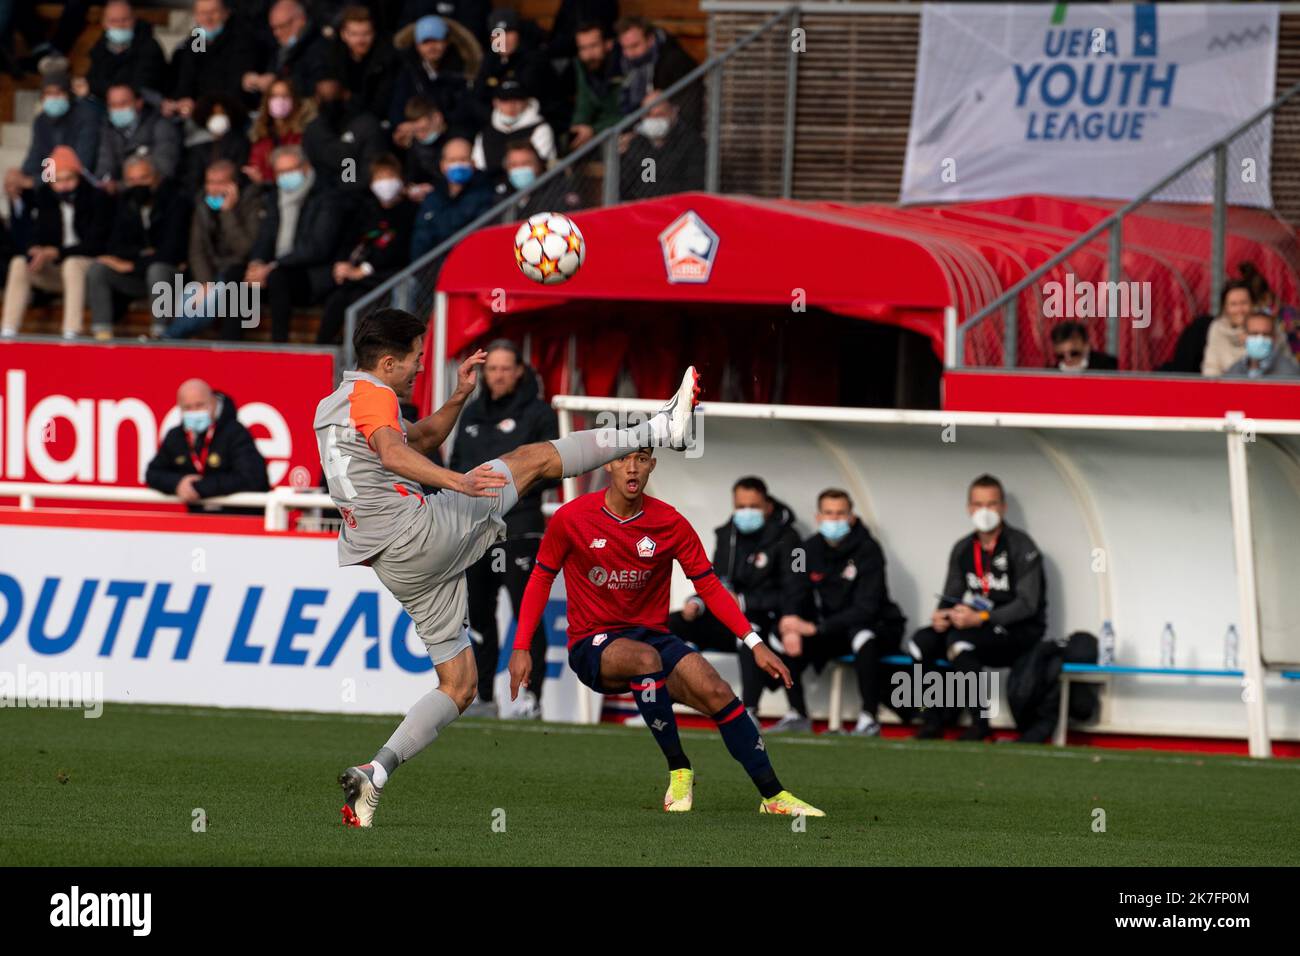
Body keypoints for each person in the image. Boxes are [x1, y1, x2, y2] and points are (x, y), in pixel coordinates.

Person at [322, 309, 700, 827]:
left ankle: (375, 773)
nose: (417, 369)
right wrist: (455, 483)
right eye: (414, 360)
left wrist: (459, 396)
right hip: (418, 532)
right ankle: (663, 427)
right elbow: (393, 454)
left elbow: (422, 439)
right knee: (531, 459)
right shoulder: (375, 395)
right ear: (387, 362)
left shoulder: (335, 406)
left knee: (459, 685)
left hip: (394, 563)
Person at [508, 447, 825, 817]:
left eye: (642, 458)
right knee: (646, 659)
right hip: (592, 643)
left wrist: (753, 642)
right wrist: (521, 645)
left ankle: (773, 797)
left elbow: (708, 585)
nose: (632, 467)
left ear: (651, 466)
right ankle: (679, 768)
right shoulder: (572, 518)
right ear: (608, 463)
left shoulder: (669, 522)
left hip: (652, 638)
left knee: (718, 691)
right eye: (624, 458)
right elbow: (541, 577)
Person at [448, 340, 558, 718]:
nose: (497, 375)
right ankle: (484, 696)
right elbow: (457, 464)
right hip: (476, 530)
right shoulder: (473, 413)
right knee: (477, 613)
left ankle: (531, 697)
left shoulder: (540, 414)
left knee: (525, 616)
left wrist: (510, 487)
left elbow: (550, 469)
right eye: (491, 368)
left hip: (520, 529)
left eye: (504, 368)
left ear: (519, 371)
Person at [909, 475, 1047, 741]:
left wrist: (983, 617)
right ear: (969, 508)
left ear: (1003, 507)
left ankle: (980, 724)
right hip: (975, 626)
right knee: (921, 641)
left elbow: (1028, 604)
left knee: (961, 643)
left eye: (992, 504)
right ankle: (930, 719)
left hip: (1017, 631)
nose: (985, 511)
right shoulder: (963, 548)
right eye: (978, 504)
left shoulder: (1022, 546)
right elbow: (950, 595)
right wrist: (943, 616)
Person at [773, 489, 908, 737]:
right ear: (818, 516)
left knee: (862, 635)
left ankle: (869, 718)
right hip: (831, 629)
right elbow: (794, 589)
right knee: (781, 636)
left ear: (851, 517)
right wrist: (791, 622)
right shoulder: (803, 550)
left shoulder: (869, 550)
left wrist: (817, 628)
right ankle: (797, 714)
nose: (834, 519)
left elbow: (867, 608)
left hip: (872, 626)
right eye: (828, 513)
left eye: (840, 514)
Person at [669, 476, 798, 727]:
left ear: (768, 507)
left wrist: (743, 601)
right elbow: (715, 580)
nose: (745, 512)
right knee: (673, 623)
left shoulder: (789, 540)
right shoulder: (727, 534)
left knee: (750, 637)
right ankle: (659, 699)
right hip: (726, 616)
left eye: (753, 506)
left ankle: (748, 711)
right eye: (740, 506)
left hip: (762, 620)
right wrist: (698, 601)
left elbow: (793, 591)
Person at [0, 147, 112, 339]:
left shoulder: (97, 198)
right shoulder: (45, 198)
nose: (64, 186)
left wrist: (57, 252)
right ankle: (8, 331)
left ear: (78, 176)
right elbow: (35, 233)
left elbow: (96, 244)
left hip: (87, 270)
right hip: (55, 272)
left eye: (69, 179)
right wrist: (34, 248)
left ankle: (71, 332)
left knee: (72, 264)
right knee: (19, 263)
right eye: (57, 181)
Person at [244, 146, 346, 341]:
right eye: (280, 172)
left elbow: (318, 247)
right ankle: (232, 351)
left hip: (312, 275)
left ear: (305, 166)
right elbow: (266, 234)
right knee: (236, 275)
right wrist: (256, 262)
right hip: (276, 269)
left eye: (290, 170)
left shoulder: (326, 196)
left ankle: (279, 347)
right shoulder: (275, 196)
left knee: (277, 277)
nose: (285, 176)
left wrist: (274, 265)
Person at [85, 155, 190, 340]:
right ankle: (102, 334)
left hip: (173, 278)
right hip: (136, 277)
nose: (138, 185)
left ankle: (160, 334)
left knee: (157, 270)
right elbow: (115, 247)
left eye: (144, 178)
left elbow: (172, 252)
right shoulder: (124, 203)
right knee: (99, 269)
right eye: (132, 180)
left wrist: (133, 264)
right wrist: (141, 255)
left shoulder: (176, 201)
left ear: (157, 178)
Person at [315, 155, 418, 345]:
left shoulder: (410, 211)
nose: (384, 182)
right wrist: (343, 264)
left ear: (400, 179)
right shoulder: (368, 210)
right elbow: (352, 240)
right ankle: (321, 352)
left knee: (359, 303)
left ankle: (356, 358)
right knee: (337, 299)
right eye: (379, 177)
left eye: (389, 176)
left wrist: (363, 270)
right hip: (359, 276)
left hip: (388, 276)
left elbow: (399, 248)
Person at [166, 159, 260, 339]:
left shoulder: (251, 202)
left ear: (234, 184)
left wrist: (228, 213)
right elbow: (197, 249)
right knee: (188, 301)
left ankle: (167, 339)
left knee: (208, 305)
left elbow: (245, 249)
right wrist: (205, 282)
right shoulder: (202, 205)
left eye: (220, 183)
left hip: (238, 274)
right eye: (210, 182)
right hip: (211, 274)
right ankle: (171, 342)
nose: (214, 188)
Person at [146, 378, 270, 506]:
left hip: (238, 516)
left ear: (214, 402)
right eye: (187, 407)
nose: (194, 411)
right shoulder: (176, 436)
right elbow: (152, 473)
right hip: (199, 519)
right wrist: (178, 483)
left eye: (199, 405)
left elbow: (251, 478)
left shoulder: (235, 433)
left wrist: (200, 487)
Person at [165, 0, 259, 119]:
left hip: (230, 114)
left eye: (213, 12)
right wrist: (183, 100)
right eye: (202, 13)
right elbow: (185, 80)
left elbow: (235, 88)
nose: (207, 18)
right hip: (195, 114)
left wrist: (202, 106)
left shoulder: (243, 41)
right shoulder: (194, 42)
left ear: (226, 13)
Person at [18, 56, 101, 186]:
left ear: (68, 94)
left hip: (80, 181)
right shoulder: (42, 121)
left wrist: (37, 181)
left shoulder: (86, 115)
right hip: (53, 181)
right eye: (48, 94)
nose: (53, 98)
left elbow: (82, 163)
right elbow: (37, 156)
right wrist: (21, 176)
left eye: (58, 93)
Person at [409, 136, 494, 259]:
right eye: (452, 160)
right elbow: (420, 240)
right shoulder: (432, 199)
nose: (458, 164)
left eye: (463, 159)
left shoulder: (485, 192)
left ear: (473, 163)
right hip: (436, 272)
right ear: (443, 165)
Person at [302, 77, 385, 201]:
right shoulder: (314, 129)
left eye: (333, 96)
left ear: (346, 94)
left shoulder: (365, 125)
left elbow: (371, 167)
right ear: (316, 99)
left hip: (361, 198)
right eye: (323, 98)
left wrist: (344, 184)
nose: (329, 102)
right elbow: (310, 166)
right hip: (322, 197)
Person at [615, 16, 699, 128]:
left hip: (670, 128)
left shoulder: (674, 61)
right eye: (625, 48)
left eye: (635, 46)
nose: (629, 54)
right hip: (639, 126)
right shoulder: (623, 64)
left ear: (650, 40)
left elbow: (687, 105)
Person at [618, 91, 703, 199]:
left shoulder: (692, 143)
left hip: (675, 207)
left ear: (673, 112)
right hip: (641, 207)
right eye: (648, 115)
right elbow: (625, 185)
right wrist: (620, 156)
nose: (653, 120)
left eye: (659, 115)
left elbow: (693, 185)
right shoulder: (636, 144)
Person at [389, 14, 469, 130]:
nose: (431, 47)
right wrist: (405, 126)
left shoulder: (461, 71)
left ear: (446, 42)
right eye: (425, 42)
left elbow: (465, 111)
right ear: (417, 45)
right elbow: (396, 109)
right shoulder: (408, 70)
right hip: (415, 133)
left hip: (451, 132)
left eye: (436, 40)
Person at [319, 5, 398, 122]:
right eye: (354, 34)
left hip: (374, 121)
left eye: (366, 34)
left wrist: (349, 97)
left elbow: (380, 105)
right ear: (343, 35)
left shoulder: (387, 59)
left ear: (374, 34)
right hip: (340, 118)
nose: (360, 40)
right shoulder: (334, 56)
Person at [94, 82, 181, 185]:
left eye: (123, 103)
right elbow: (104, 165)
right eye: (112, 105)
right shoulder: (108, 128)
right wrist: (104, 184)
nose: (117, 109)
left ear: (139, 103)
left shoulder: (160, 124)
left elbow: (164, 170)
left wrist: (119, 186)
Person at [470, 78, 556, 181]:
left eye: (516, 100)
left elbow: (537, 164)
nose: (511, 106)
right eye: (505, 101)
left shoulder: (541, 129)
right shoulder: (485, 133)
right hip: (492, 190)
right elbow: (479, 167)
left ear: (526, 101)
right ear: (496, 103)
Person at [85, 1, 168, 105]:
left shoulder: (149, 46)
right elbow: (92, 80)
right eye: (114, 21)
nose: (120, 25)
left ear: (134, 19)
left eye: (125, 20)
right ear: (104, 23)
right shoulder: (100, 47)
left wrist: (100, 89)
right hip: (106, 105)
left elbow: (142, 85)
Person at [241, 0, 326, 100]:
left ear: (300, 21)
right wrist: (255, 83)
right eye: (273, 28)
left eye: (281, 26)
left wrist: (277, 84)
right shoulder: (279, 49)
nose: (276, 33)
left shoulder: (319, 48)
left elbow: (316, 88)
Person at [245, 78, 314, 184]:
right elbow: (256, 166)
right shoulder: (261, 136)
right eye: (274, 96)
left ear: (294, 100)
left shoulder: (305, 133)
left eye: (285, 96)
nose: (279, 101)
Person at [1202, 280, 1275, 377]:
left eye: (1244, 303)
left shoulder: (1266, 325)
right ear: (1225, 308)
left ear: (1252, 304)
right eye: (1233, 304)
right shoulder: (1217, 328)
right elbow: (1211, 367)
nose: (1240, 309)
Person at [569, 20, 622, 150]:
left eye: (593, 46)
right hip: (597, 131)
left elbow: (629, 112)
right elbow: (583, 103)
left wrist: (594, 130)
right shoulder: (583, 66)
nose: (589, 54)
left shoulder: (623, 64)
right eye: (583, 48)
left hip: (623, 129)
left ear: (607, 44)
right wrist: (578, 126)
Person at [1223, 311, 1300, 379]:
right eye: (1254, 333)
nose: (1260, 339)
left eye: (1265, 334)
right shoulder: (1235, 371)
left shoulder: (1289, 373)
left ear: (1274, 338)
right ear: (1243, 337)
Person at [1047, 320, 1118, 371]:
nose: (1068, 359)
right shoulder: (1050, 372)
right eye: (1061, 356)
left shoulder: (1108, 367)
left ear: (1086, 346)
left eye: (1074, 353)